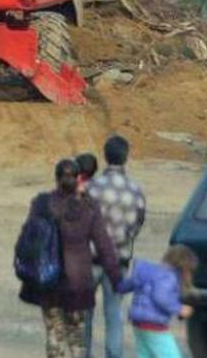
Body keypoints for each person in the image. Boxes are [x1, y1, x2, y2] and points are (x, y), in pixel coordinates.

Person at [21, 159, 127, 358]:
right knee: (77, 340)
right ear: (79, 179)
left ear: (56, 179)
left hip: (49, 281)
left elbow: (29, 238)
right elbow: (104, 246)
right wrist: (116, 280)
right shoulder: (89, 207)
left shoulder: (42, 204)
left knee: (55, 337)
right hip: (78, 284)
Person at [84, 135, 147, 358]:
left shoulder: (92, 188)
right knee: (114, 316)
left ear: (105, 155)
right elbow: (138, 223)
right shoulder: (135, 190)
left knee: (85, 316)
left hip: (89, 260)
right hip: (118, 261)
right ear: (126, 157)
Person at [116, 245, 199, 358]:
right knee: (171, 355)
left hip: (138, 323)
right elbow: (161, 297)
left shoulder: (147, 271)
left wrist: (118, 286)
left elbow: (128, 285)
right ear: (183, 267)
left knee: (146, 354)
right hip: (155, 325)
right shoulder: (168, 276)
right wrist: (179, 309)